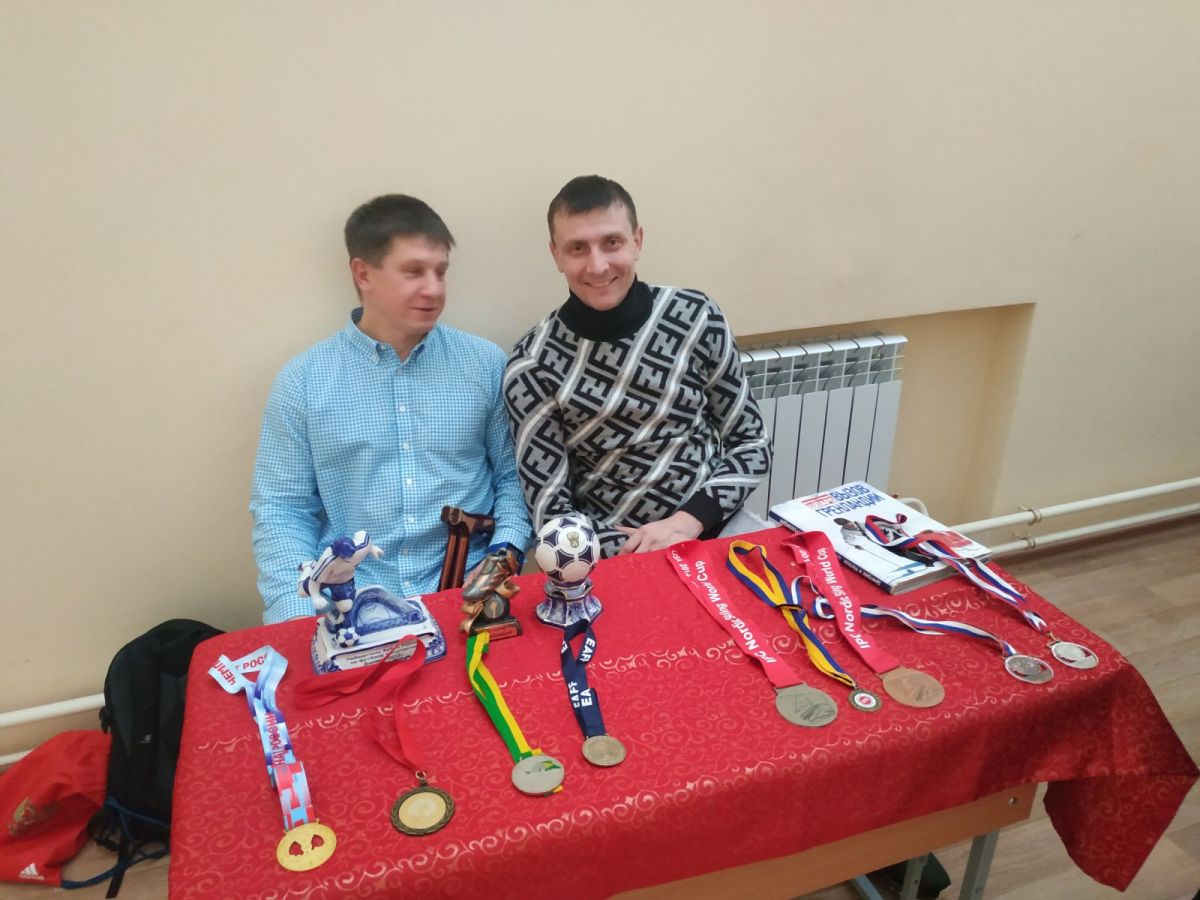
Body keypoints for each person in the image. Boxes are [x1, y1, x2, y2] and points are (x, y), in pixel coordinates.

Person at [251, 194, 531, 624]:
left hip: (469, 598)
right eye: (413, 271)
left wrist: (504, 555)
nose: (434, 289)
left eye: (440, 272)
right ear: (363, 273)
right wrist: (299, 616)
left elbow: (513, 479)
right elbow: (282, 510)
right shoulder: (303, 382)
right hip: (352, 607)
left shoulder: (485, 364)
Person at [504, 175, 770, 558]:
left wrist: (687, 523)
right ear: (556, 255)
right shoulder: (533, 365)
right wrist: (646, 548)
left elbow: (752, 442)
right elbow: (551, 515)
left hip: (714, 525)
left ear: (637, 241)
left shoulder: (696, 317)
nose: (598, 266)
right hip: (611, 553)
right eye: (577, 248)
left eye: (611, 242)